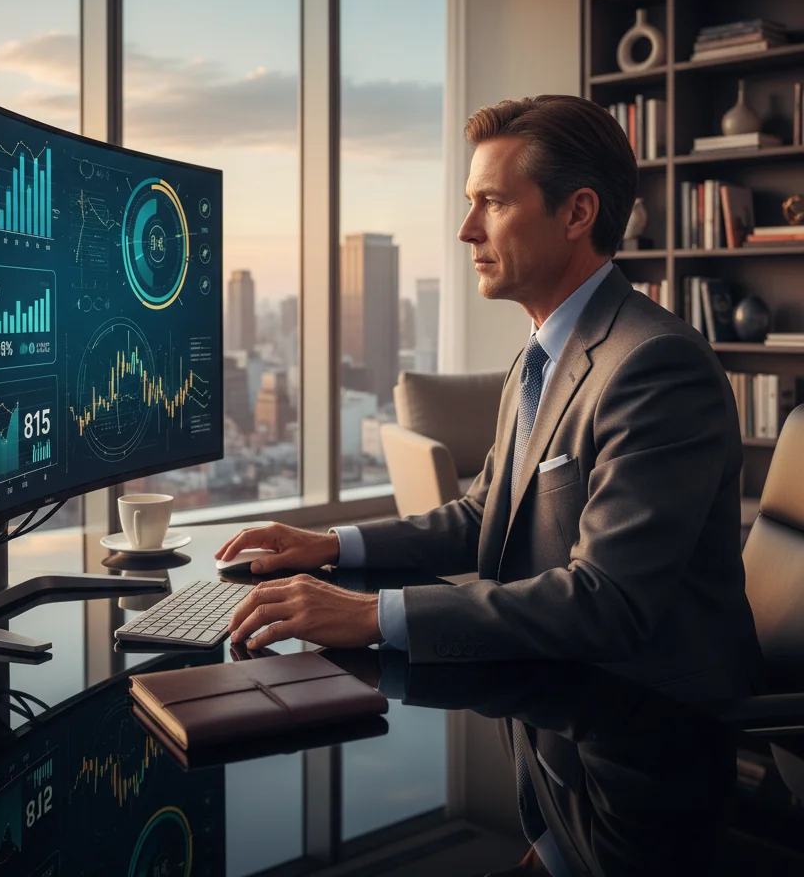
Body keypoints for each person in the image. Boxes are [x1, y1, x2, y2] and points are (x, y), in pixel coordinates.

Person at [218, 94, 763, 704]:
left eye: (494, 202)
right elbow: (484, 514)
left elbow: (607, 603)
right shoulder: (543, 354)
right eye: (470, 202)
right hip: (547, 702)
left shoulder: (657, 367)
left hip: (646, 730)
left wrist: (373, 614)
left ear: (578, 212)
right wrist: (333, 544)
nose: (465, 229)